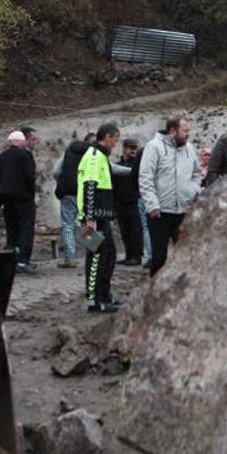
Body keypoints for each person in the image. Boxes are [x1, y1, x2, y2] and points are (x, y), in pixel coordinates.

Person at [138, 114, 202, 276]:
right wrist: (152, 205)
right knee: (159, 258)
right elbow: (145, 178)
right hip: (160, 213)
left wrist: (193, 191)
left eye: (189, 130)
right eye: (184, 130)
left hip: (183, 212)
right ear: (172, 131)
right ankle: (155, 295)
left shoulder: (190, 148)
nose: (188, 134)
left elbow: (196, 174)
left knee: (186, 255)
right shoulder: (154, 147)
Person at [78, 123, 122, 313]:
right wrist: (89, 218)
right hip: (94, 218)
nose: (116, 142)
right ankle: (97, 299)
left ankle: (102, 295)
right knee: (99, 257)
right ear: (107, 137)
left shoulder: (100, 157)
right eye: (115, 138)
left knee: (107, 255)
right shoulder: (94, 157)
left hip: (100, 216)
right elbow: (89, 186)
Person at [0, 130, 39, 274]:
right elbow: (30, 177)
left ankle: (12, 260)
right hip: (23, 199)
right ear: (21, 141)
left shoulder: (1, 157)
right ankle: (23, 261)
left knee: (11, 232)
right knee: (25, 230)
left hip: (6, 200)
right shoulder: (25, 155)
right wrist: (31, 195)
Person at [52, 132, 97, 269]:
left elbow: (56, 172)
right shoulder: (94, 154)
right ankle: (94, 256)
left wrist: (64, 180)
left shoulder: (69, 151)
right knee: (89, 223)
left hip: (69, 193)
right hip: (87, 193)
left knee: (68, 225)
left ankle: (70, 258)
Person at [111, 138, 144, 266]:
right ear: (124, 148)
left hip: (133, 201)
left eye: (134, 148)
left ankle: (136, 256)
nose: (132, 151)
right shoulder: (118, 165)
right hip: (120, 202)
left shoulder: (136, 164)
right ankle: (129, 255)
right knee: (125, 231)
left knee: (135, 230)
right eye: (130, 148)